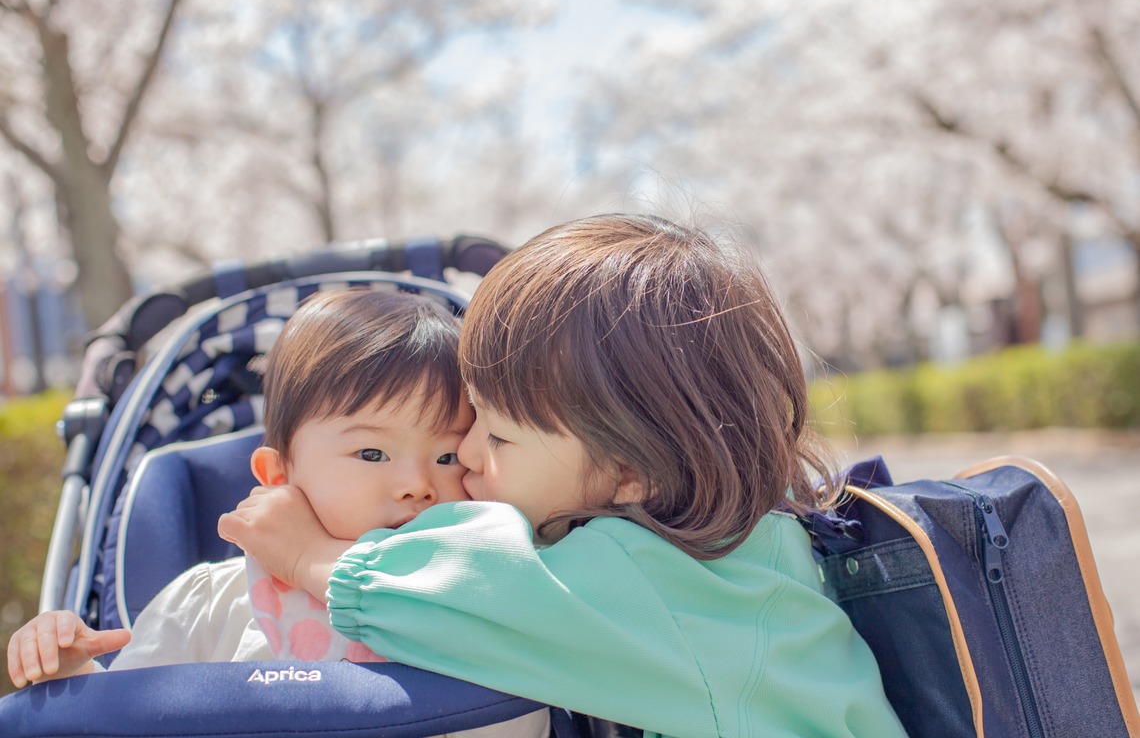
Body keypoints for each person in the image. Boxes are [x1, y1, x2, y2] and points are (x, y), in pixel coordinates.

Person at [219, 214, 909, 738]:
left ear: (629, 470)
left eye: (497, 434)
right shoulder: (736, 549)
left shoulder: (651, 582)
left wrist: (310, 554)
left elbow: (471, 593)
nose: (466, 453)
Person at [7, 288, 551, 738]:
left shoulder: (490, 604)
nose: (416, 485)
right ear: (278, 476)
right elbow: (124, 718)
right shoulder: (207, 603)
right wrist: (71, 674)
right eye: (371, 454)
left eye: (448, 455)